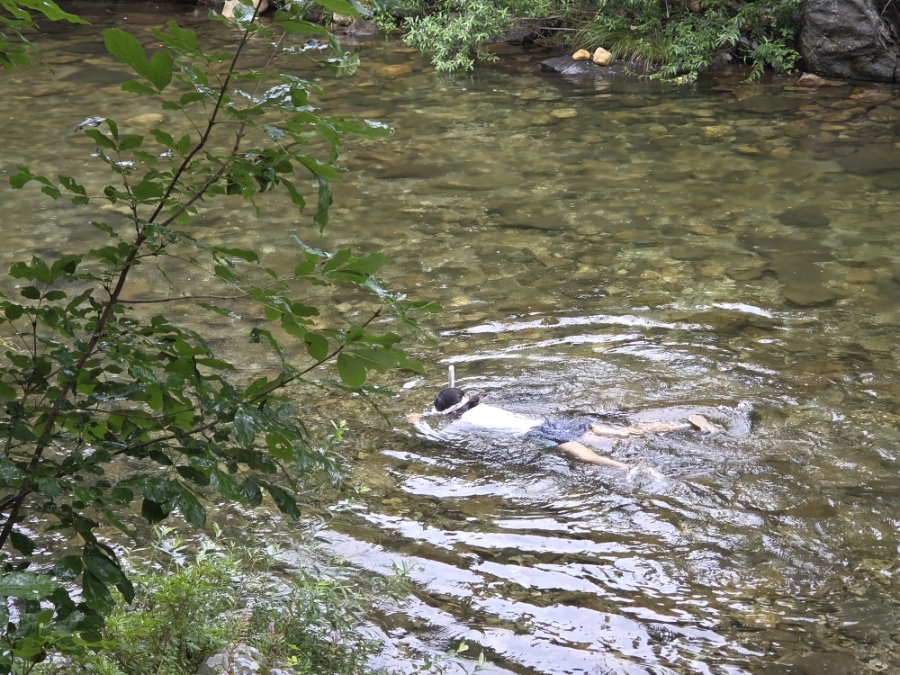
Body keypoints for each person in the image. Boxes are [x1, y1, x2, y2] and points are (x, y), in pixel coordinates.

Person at [406, 386, 720, 471]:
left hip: (536, 434)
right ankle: (686, 426)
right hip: (545, 422)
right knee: (622, 430)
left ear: (450, 414)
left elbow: (439, 437)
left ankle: (625, 467)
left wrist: (420, 425)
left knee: (578, 454)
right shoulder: (480, 408)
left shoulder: (463, 424)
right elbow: (453, 412)